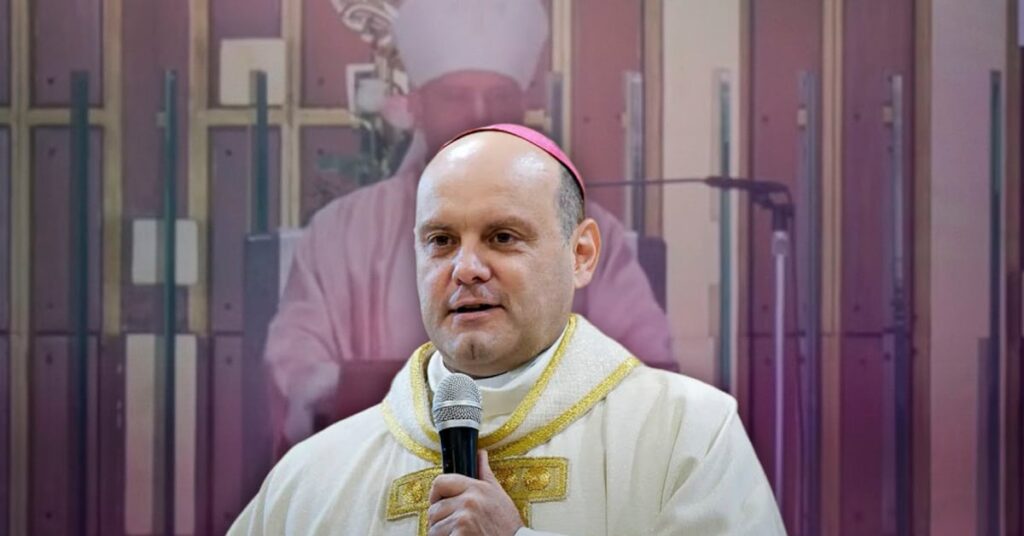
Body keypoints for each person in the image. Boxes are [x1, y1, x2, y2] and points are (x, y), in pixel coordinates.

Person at [230, 124, 784, 535]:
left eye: (502, 237)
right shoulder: (310, 478)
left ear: (581, 254)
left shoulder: (686, 437)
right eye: (442, 241)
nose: (466, 268)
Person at [266, 0, 673, 447]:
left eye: (498, 96)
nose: (479, 113)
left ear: (523, 105)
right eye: (455, 97)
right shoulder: (341, 233)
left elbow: (644, 365)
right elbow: (297, 361)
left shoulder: (583, 229)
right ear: (418, 106)